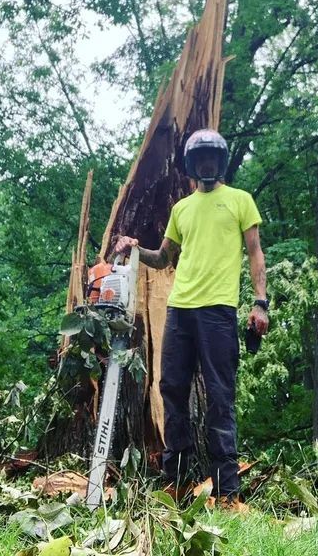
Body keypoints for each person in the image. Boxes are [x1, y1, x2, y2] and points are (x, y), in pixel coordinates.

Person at [114, 128, 268, 505]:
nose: (207, 164)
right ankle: (177, 482)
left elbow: (255, 253)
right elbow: (164, 258)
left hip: (218, 310)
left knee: (220, 396)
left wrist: (260, 302)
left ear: (221, 161)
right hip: (180, 310)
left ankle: (228, 492)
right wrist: (135, 248)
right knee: (172, 390)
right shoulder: (181, 209)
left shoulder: (240, 200)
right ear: (192, 164)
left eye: (213, 157)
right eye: (201, 159)